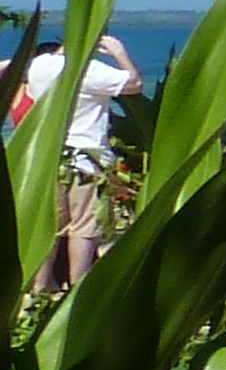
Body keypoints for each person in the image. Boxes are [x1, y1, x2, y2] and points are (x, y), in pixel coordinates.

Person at [16, 31, 142, 286]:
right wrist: (119, 53)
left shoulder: (41, 66)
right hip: (87, 160)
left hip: (50, 157)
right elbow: (134, 85)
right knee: (84, 229)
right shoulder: (91, 71)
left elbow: (9, 68)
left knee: (49, 228)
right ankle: (77, 289)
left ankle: (38, 289)